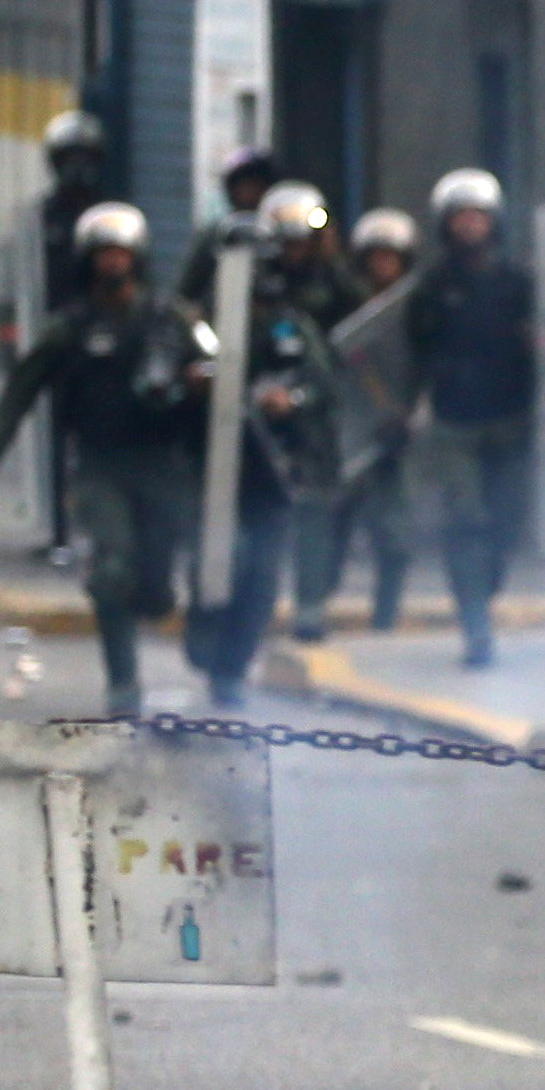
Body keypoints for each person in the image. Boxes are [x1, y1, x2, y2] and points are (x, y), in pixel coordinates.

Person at [0, 202, 211, 716]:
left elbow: (217, 367)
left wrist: (196, 382)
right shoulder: (69, 327)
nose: (113, 263)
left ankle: (155, 598)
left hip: (162, 464)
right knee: (111, 570)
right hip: (102, 466)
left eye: (121, 252)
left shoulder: (171, 318)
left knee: (156, 587)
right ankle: (123, 683)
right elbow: (22, 388)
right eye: (103, 254)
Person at [184, 188, 347, 707]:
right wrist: (195, 382)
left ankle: (233, 667)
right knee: (216, 560)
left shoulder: (290, 324)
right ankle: (207, 640)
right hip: (211, 465)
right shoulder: (199, 326)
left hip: (274, 466)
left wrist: (290, 397)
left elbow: (323, 384)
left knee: (263, 572)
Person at [402, 169, 535, 669]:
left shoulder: (516, 283)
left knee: (504, 524)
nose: (470, 226)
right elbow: (411, 353)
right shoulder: (432, 288)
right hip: (455, 421)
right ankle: (475, 624)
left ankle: (486, 588)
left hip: (510, 419)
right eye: (460, 216)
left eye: (478, 215)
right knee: (465, 521)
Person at [289, 208, 421, 643]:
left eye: (391, 258)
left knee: (395, 532)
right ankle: (314, 605)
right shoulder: (344, 299)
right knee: (329, 522)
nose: (383, 267)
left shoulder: (418, 305)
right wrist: (330, 259)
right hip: (345, 426)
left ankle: (385, 617)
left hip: (394, 431)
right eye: (374, 258)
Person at [177, 145, 282, 305]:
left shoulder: (279, 230)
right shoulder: (218, 233)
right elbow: (187, 289)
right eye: (246, 185)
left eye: (258, 185)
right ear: (231, 189)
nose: (252, 192)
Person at [39, 110, 112, 312]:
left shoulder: (109, 215)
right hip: (50, 317)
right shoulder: (41, 217)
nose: (77, 167)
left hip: (100, 320)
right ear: (55, 162)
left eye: (85, 158)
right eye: (69, 158)